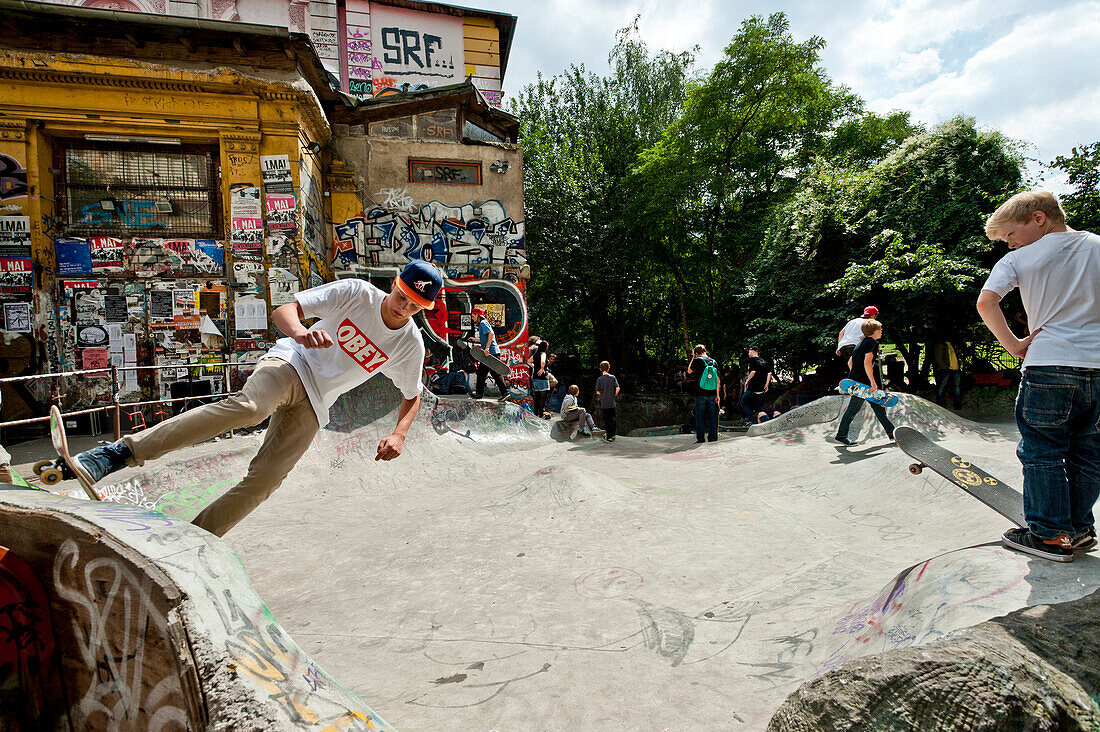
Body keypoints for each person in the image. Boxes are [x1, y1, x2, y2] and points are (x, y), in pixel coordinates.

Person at [70, 260, 439, 537]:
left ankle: (198, 538)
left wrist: (400, 434)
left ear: (422, 310)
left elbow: (412, 394)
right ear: (394, 285)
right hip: (292, 363)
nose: (403, 308)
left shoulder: (409, 345)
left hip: (316, 401)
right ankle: (116, 454)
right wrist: (299, 333)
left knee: (267, 479)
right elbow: (285, 310)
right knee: (250, 408)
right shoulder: (357, 293)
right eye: (402, 297)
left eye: (414, 306)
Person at [977, 190, 1100, 562]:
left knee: (1042, 450)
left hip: (1049, 365)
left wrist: (1014, 345)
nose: (1009, 245)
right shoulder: (1097, 245)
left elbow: (986, 302)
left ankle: (1049, 534)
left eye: (1010, 235)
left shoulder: (1021, 258)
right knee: (1089, 451)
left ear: (1039, 219)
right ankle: (1078, 531)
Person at [833, 319, 895, 446]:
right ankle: (841, 435)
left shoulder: (859, 343)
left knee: (878, 407)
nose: (882, 332)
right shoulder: (873, 342)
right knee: (853, 409)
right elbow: (867, 362)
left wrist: (855, 374)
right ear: (874, 331)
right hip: (864, 384)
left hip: (857, 382)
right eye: (880, 329)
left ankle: (892, 434)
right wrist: (872, 382)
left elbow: (850, 362)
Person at [469, 307, 510, 401]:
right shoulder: (482, 324)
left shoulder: (483, 323)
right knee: (485, 373)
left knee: (486, 373)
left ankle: (504, 392)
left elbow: (491, 334)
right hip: (490, 352)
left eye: (473, 316)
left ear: (477, 315)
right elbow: (485, 338)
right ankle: (503, 393)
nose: (472, 318)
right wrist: (475, 340)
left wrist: (487, 348)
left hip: (490, 353)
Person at [686, 344, 720, 443]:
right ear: (705, 350)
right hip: (712, 393)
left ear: (696, 353)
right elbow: (718, 380)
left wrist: (693, 358)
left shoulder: (697, 360)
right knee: (713, 417)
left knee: (700, 417)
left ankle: (700, 439)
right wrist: (717, 395)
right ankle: (712, 438)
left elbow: (689, 371)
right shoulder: (714, 362)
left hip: (700, 393)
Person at [739, 346, 772, 421]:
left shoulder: (752, 360)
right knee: (760, 408)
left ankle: (752, 419)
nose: (748, 354)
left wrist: (747, 380)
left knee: (743, 403)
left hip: (752, 387)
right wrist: (766, 385)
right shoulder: (764, 361)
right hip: (761, 388)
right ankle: (763, 421)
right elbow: (769, 373)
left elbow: (753, 372)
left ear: (753, 351)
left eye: (749, 352)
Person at [595, 361, 620, 442]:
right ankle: (613, 435)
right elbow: (617, 388)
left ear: (600, 369)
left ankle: (608, 437)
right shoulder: (613, 377)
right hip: (612, 402)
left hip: (604, 403)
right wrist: (614, 395)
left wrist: (601, 396)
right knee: (613, 418)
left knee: (607, 419)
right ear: (609, 368)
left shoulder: (599, 379)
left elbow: (598, 391)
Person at [933, 341, 963, 409]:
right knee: (941, 387)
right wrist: (945, 367)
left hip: (955, 369)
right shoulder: (940, 344)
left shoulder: (952, 344)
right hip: (946, 369)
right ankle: (940, 405)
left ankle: (957, 405)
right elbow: (938, 358)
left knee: (956, 387)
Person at [531, 340, 551, 418]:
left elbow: (529, 361)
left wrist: (535, 367)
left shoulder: (536, 354)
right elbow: (543, 361)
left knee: (537, 397)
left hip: (536, 378)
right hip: (543, 378)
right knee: (542, 397)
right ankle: (541, 413)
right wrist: (542, 368)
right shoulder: (543, 353)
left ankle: (536, 413)